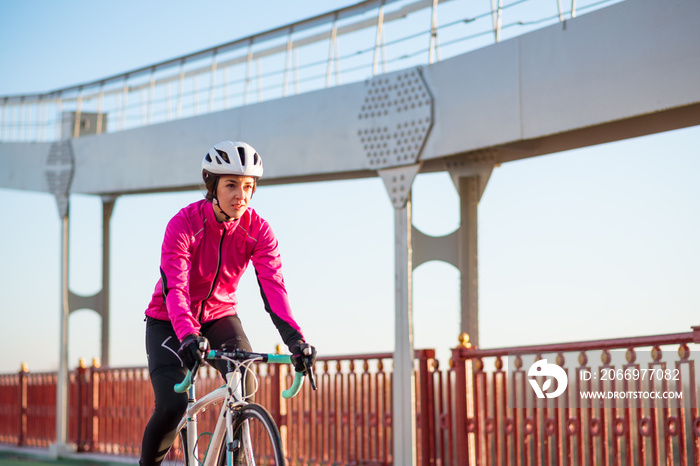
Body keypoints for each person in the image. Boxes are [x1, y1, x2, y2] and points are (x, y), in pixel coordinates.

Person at [139, 140, 316, 466]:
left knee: (245, 384)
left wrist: (297, 341)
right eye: (232, 185)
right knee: (171, 406)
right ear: (212, 185)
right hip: (169, 319)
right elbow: (175, 288)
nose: (242, 195)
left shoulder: (258, 230)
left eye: (248, 186)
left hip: (220, 315)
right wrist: (189, 335)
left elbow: (274, 288)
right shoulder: (184, 224)